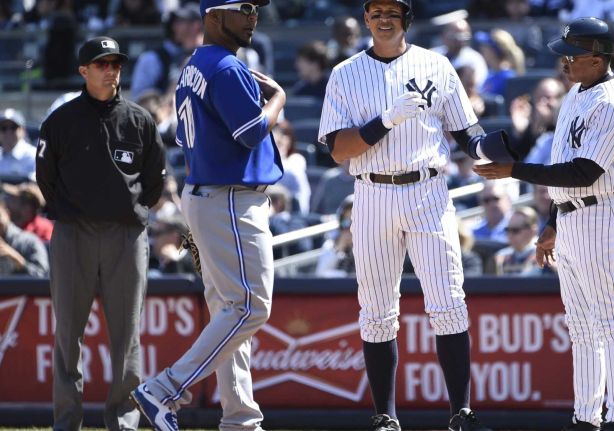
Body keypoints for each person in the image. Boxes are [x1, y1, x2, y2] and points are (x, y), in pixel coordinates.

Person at [317, 0, 506, 429]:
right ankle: (385, 416)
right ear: (366, 18)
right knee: (377, 309)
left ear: (406, 19)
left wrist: (485, 148)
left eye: (393, 11)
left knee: (449, 302)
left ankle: (462, 411)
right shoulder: (345, 73)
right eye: (377, 11)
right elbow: (338, 150)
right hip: (372, 192)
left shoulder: (436, 65)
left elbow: (464, 128)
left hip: (428, 190)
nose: (385, 19)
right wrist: (384, 120)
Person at [472, 18, 614, 431]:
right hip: (572, 217)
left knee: (611, 322)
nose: (564, 62)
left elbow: (583, 172)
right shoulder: (574, 94)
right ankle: (586, 419)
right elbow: (560, 166)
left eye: (572, 55)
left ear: (598, 58)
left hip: (604, 213)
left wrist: (514, 170)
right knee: (582, 328)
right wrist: (553, 222)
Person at [129, 0, 286, 430]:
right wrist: (278, 99)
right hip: (229, 198)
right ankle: (166, 389)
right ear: (215, 15)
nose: (254, 16)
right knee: (250, 307)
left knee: (229, 310)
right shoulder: (225, 66)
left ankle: (240, 419)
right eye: (246, 8)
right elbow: (252, 132)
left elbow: (183, 133)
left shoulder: (195, 63)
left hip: (206, 197)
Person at [35, 36, 166, 431]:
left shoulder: (140, 120)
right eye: (102, 63)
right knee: (67, 335)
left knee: (127, 336)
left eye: (116, 63)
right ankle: (66, 419)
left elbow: (155, 181)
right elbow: (46, 179)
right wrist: (74, 211)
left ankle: (123, 420)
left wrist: (133, 212)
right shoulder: (60, 120)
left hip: (125, 237)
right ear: (83, 71)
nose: (111, 70)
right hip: (73, 233)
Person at [0, 108, 37, 181]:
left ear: (23, 130)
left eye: (13, 127)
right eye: (3, 128)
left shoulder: (34, 156)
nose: (8, 132)